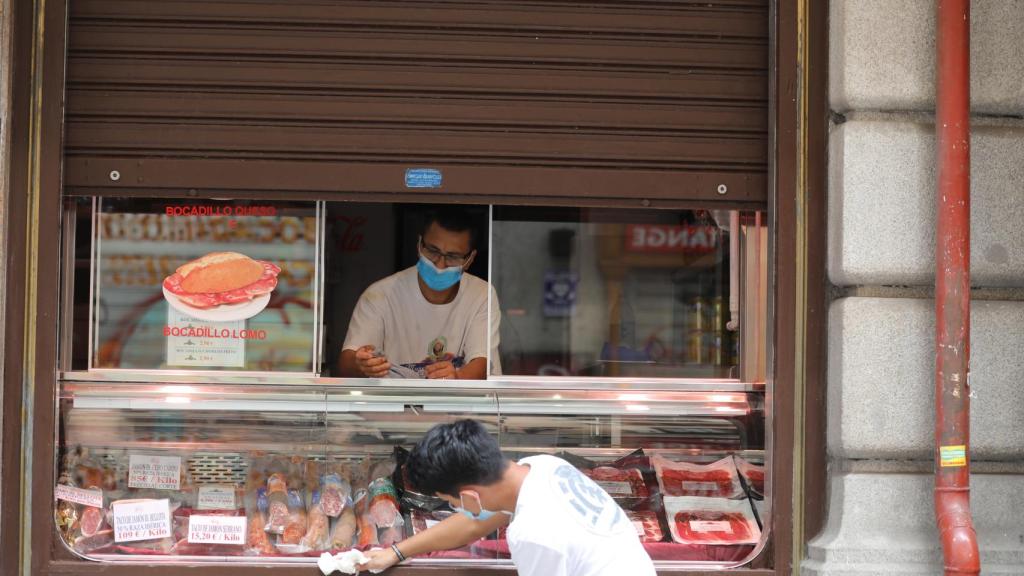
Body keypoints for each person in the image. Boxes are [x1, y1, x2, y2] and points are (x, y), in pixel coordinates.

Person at [358, 419, 657, 576]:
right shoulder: (544, 466)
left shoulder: (533, 534)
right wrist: (396, 552)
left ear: (470, 496)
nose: (453, 508)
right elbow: (475, 523)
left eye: (451, 502)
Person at [339, 207, 500, 380]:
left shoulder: (481, 295)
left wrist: (457, 377)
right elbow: (347, 362)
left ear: (470, 259)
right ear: (419, 244)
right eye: (433, 251)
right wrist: (362, 364)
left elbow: (482, 363)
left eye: (452, 257)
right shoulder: (380, 295)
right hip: (391, 405)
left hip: (454, 405)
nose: (440, 265)